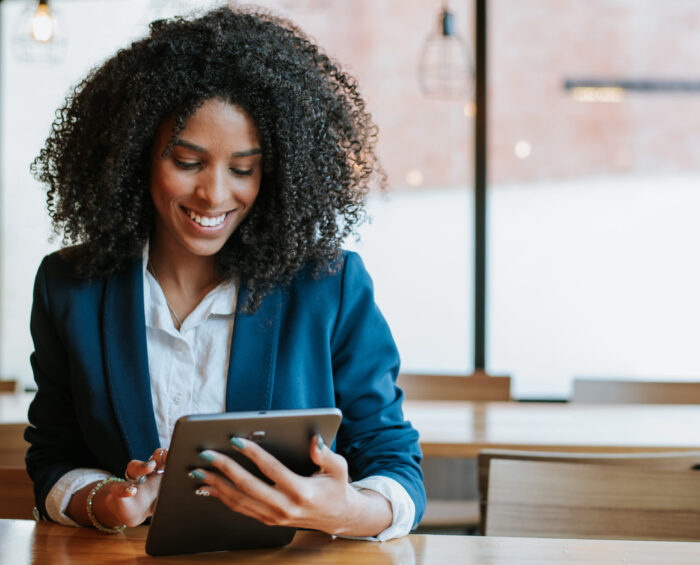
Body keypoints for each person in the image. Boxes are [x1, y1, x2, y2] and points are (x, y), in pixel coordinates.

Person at [25, 5, 425, 540]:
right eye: (187, 162)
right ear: (134, 154)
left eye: (243, 169)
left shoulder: (329, 285)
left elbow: (395, 463)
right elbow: (54, 455)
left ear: (275, 171)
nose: (214, 194)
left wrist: (348, 510)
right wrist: (103, 501)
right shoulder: (69, 288)